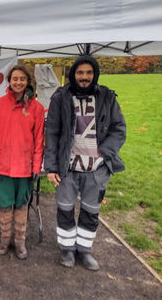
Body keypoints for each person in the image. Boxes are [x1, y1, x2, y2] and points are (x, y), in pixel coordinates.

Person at [44, 55, 126, 271]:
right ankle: (67, 249)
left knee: (91, 211)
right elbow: (52, 133)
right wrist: (51, 167)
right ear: (73, 74)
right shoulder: (60, 97)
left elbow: (119, 128)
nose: (84, 77)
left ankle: (85, 250)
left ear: (95, 74)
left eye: (89, 73)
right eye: (80, 73)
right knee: (65, 208)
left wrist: (104, 153)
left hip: (96, 169)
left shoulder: (107, 97)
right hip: (67, 167)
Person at [0, 65, 44, 259]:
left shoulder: (36, 108)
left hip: (25, 169)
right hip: (3, 167)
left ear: (28, 81)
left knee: (21, 206)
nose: (18, 82)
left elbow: (39, 141)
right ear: (9, 81)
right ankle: (4, 238)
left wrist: (36, 166)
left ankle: (20, 241)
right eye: (15, 79)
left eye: (22, 79)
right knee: (4, 205)